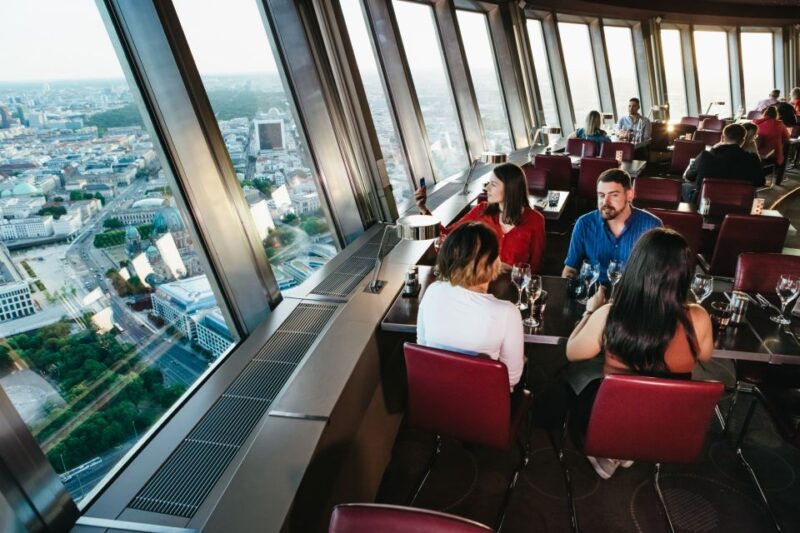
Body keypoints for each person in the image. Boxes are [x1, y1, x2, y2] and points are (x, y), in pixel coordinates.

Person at [565, 228, 714, 478]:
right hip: (666, 425)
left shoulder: (610, 314)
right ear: (684, 273)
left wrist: (590, 311)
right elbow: (706, 356)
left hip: (612, 420)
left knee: (576, 381)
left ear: (636, 265)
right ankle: (630, 449)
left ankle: (611, 449)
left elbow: (572, 352)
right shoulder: (698, 318)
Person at [416, 222, 524, 390]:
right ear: (495, 262)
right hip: (484, 409)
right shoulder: (508, 312)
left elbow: (423, 349)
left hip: (435, 400)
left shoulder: (431, 292)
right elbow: (511, 379)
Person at [415, 162, 546, 272]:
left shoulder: (536, 220)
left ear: (511, 188)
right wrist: (423, 208)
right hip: (479, 284)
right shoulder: (481, 211)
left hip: (512, 287)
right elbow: (447, 234)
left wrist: (512, 270)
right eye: (488, 183)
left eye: (493, 184)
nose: (487, 188)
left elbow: (536, 266)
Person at [562, 168, 661, 282]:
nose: (605, 202)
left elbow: (657, 274)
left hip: (634, 295)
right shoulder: (584, 224)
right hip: (592, 292)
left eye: (613, 195)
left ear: (630, 195)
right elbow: (570, 269)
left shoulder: (652, 226)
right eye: (601, 195)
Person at [683, 123, 764, 202]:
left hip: (705, 204)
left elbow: (689, 176)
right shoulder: (752, 159)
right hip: (739, 205)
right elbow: (760, 182)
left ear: (722, 138)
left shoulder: (705, 156)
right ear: (743, 140)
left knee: (684, 186)